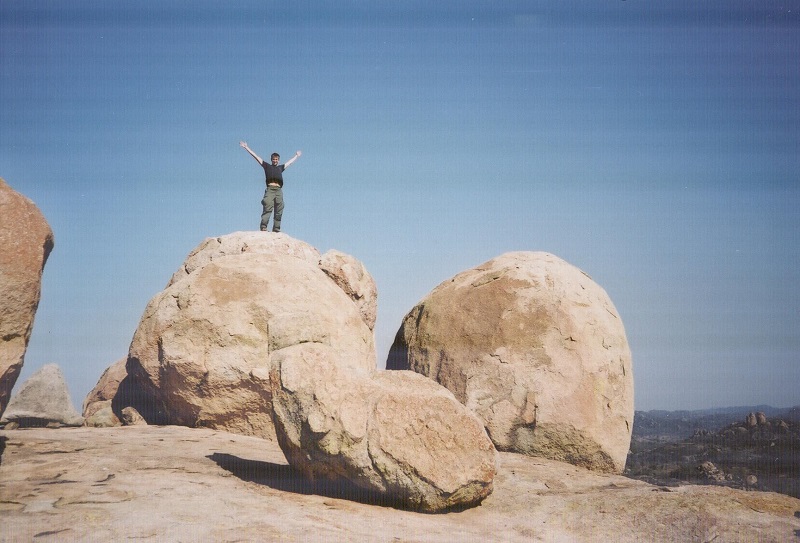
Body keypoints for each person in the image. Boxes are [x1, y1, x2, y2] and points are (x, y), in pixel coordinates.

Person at [240, 141, 302, 232]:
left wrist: (296, 156)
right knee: (267, 206)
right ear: (271, 159)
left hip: (278, 190)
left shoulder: (280, 168)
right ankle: (263, 227)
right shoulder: (267, 166)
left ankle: (276, 229)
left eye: (277, 159)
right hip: (270, 189)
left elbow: (289, 163)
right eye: (274, 159)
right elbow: (256, 157)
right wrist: (246, 147)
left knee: (279, 208)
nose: (275, 161)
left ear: (278, 160)